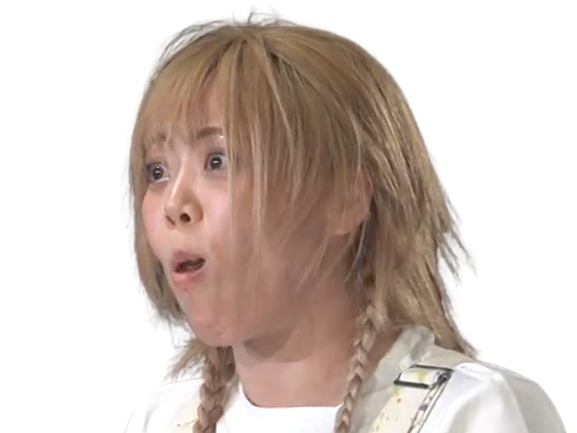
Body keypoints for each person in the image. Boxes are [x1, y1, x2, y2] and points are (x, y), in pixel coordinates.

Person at [119, 5, 565, 433]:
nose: (173, 204)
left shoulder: (472, 414)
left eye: (218, 161)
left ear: (344, 198)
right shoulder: (158, 422)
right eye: (157, 172)